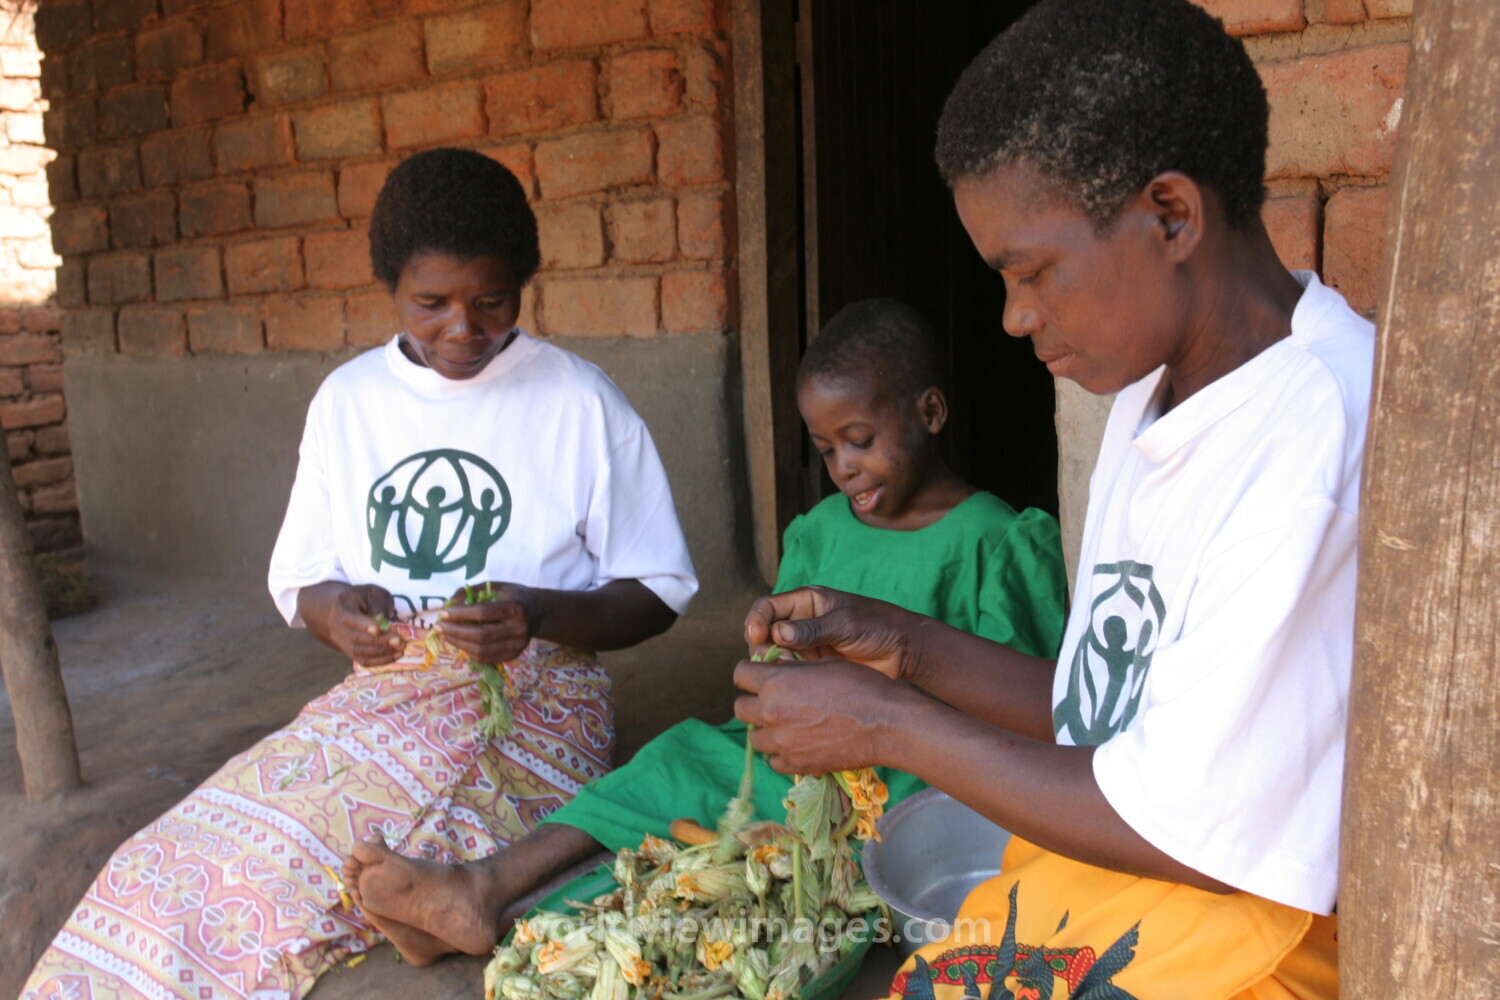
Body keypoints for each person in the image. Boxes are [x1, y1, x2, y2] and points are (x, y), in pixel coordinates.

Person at [734, 2, 1369, 998]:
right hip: (1135, 884)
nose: (1014, 315)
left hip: (1250, 935)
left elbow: (1193, 824)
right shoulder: (1154, 390)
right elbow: (1101, 714)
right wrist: (899, 647)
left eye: (1030, 272)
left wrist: (887, 727)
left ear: (1171, 214)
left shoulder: (1313, 435)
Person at [22, 148, 697, 1000]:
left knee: (313, 872)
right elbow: (304, 580)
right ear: (390, 287)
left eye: (491, 300)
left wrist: (540, 613)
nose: (464, 327)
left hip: (536, 704)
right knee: (162, 861)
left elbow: (658, 595)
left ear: (522, 281)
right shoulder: (350, 402)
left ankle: (441, 903)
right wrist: (338, 614)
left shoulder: (580, 401)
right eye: (432, 303)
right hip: (380, 700)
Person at [338, 297, 1071, 966]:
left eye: (861, 440)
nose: (845, 468)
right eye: (826, 451)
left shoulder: (998, 542)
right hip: (799, 754)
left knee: (754, 876)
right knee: (675, 765)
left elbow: (1028, 713)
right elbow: (785, 656)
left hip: (910, 778)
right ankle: (482, 884)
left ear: (932, 412)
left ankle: (506, 913)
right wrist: (774, 657)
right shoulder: (817, 531)